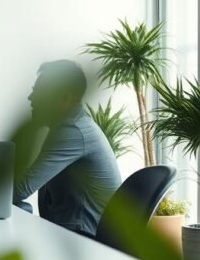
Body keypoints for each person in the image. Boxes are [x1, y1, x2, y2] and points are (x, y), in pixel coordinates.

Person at [13, 60, 121, 238]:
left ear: (64, 98)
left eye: (38, 92)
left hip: (85, 238)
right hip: (74, 232)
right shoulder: (67, 126)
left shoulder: (73, 131)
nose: (30, 98)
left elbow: (21, 189)